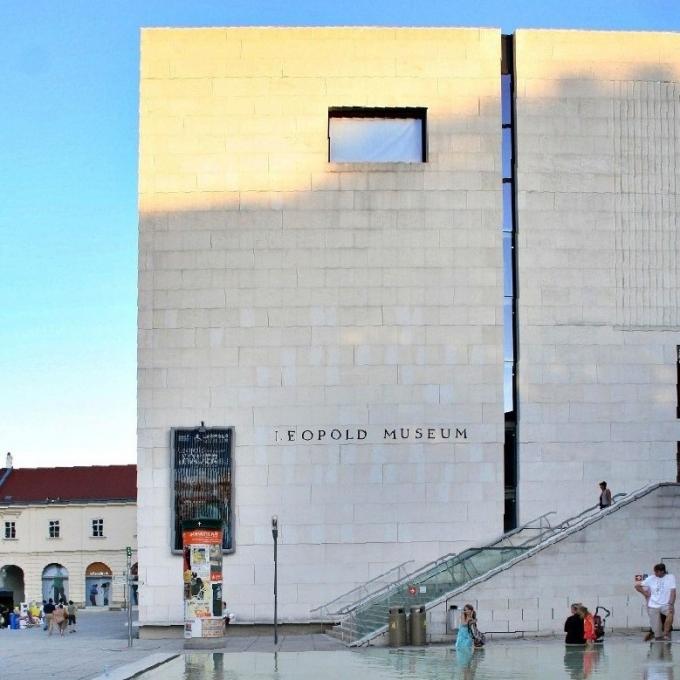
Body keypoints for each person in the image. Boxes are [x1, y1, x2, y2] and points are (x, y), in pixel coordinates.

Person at [635, 562, 676, 641]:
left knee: (670, 613)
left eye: (657, 571)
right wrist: (645, 594)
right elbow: (637, 585)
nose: (655, 573)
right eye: (655, 571)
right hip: (653, 605)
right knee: (655, 631)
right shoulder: (651, 579)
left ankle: (666, 634)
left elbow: (673, 592)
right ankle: (656, 640)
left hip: (665, 605)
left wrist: (671, 604)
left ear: (662, 571)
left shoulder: (671, 577)